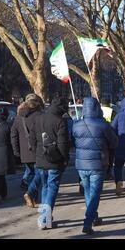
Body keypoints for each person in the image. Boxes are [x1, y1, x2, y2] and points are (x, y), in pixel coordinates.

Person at [73, 97, 118, 235]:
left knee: (88, 192)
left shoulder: (76, 124)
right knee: (94, 195)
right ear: (97, 108)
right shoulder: (103, 125)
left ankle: (94, 217)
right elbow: (114, 143)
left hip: (81, 164)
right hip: (98, 163)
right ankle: (88, 222)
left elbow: (73, 141)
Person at [30, 97, 70, 230]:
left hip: (41, 160)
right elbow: (63, 145)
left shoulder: (38, 118)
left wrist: (38, 155)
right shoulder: (60, 121)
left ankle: (44, 217)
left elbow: (33, 140)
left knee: (46, 188)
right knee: (51, 188)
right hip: (55, 160)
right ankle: (44, 219)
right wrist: (64, 160)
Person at [11, 93, 44, 208]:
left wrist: (16, 151)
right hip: (38, 150)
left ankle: (33, 198)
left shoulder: (18, 117)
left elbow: (13, 135)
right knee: (39, 173)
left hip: (24, 152)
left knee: (31, 173)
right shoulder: (40, 116)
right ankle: (30, 194)